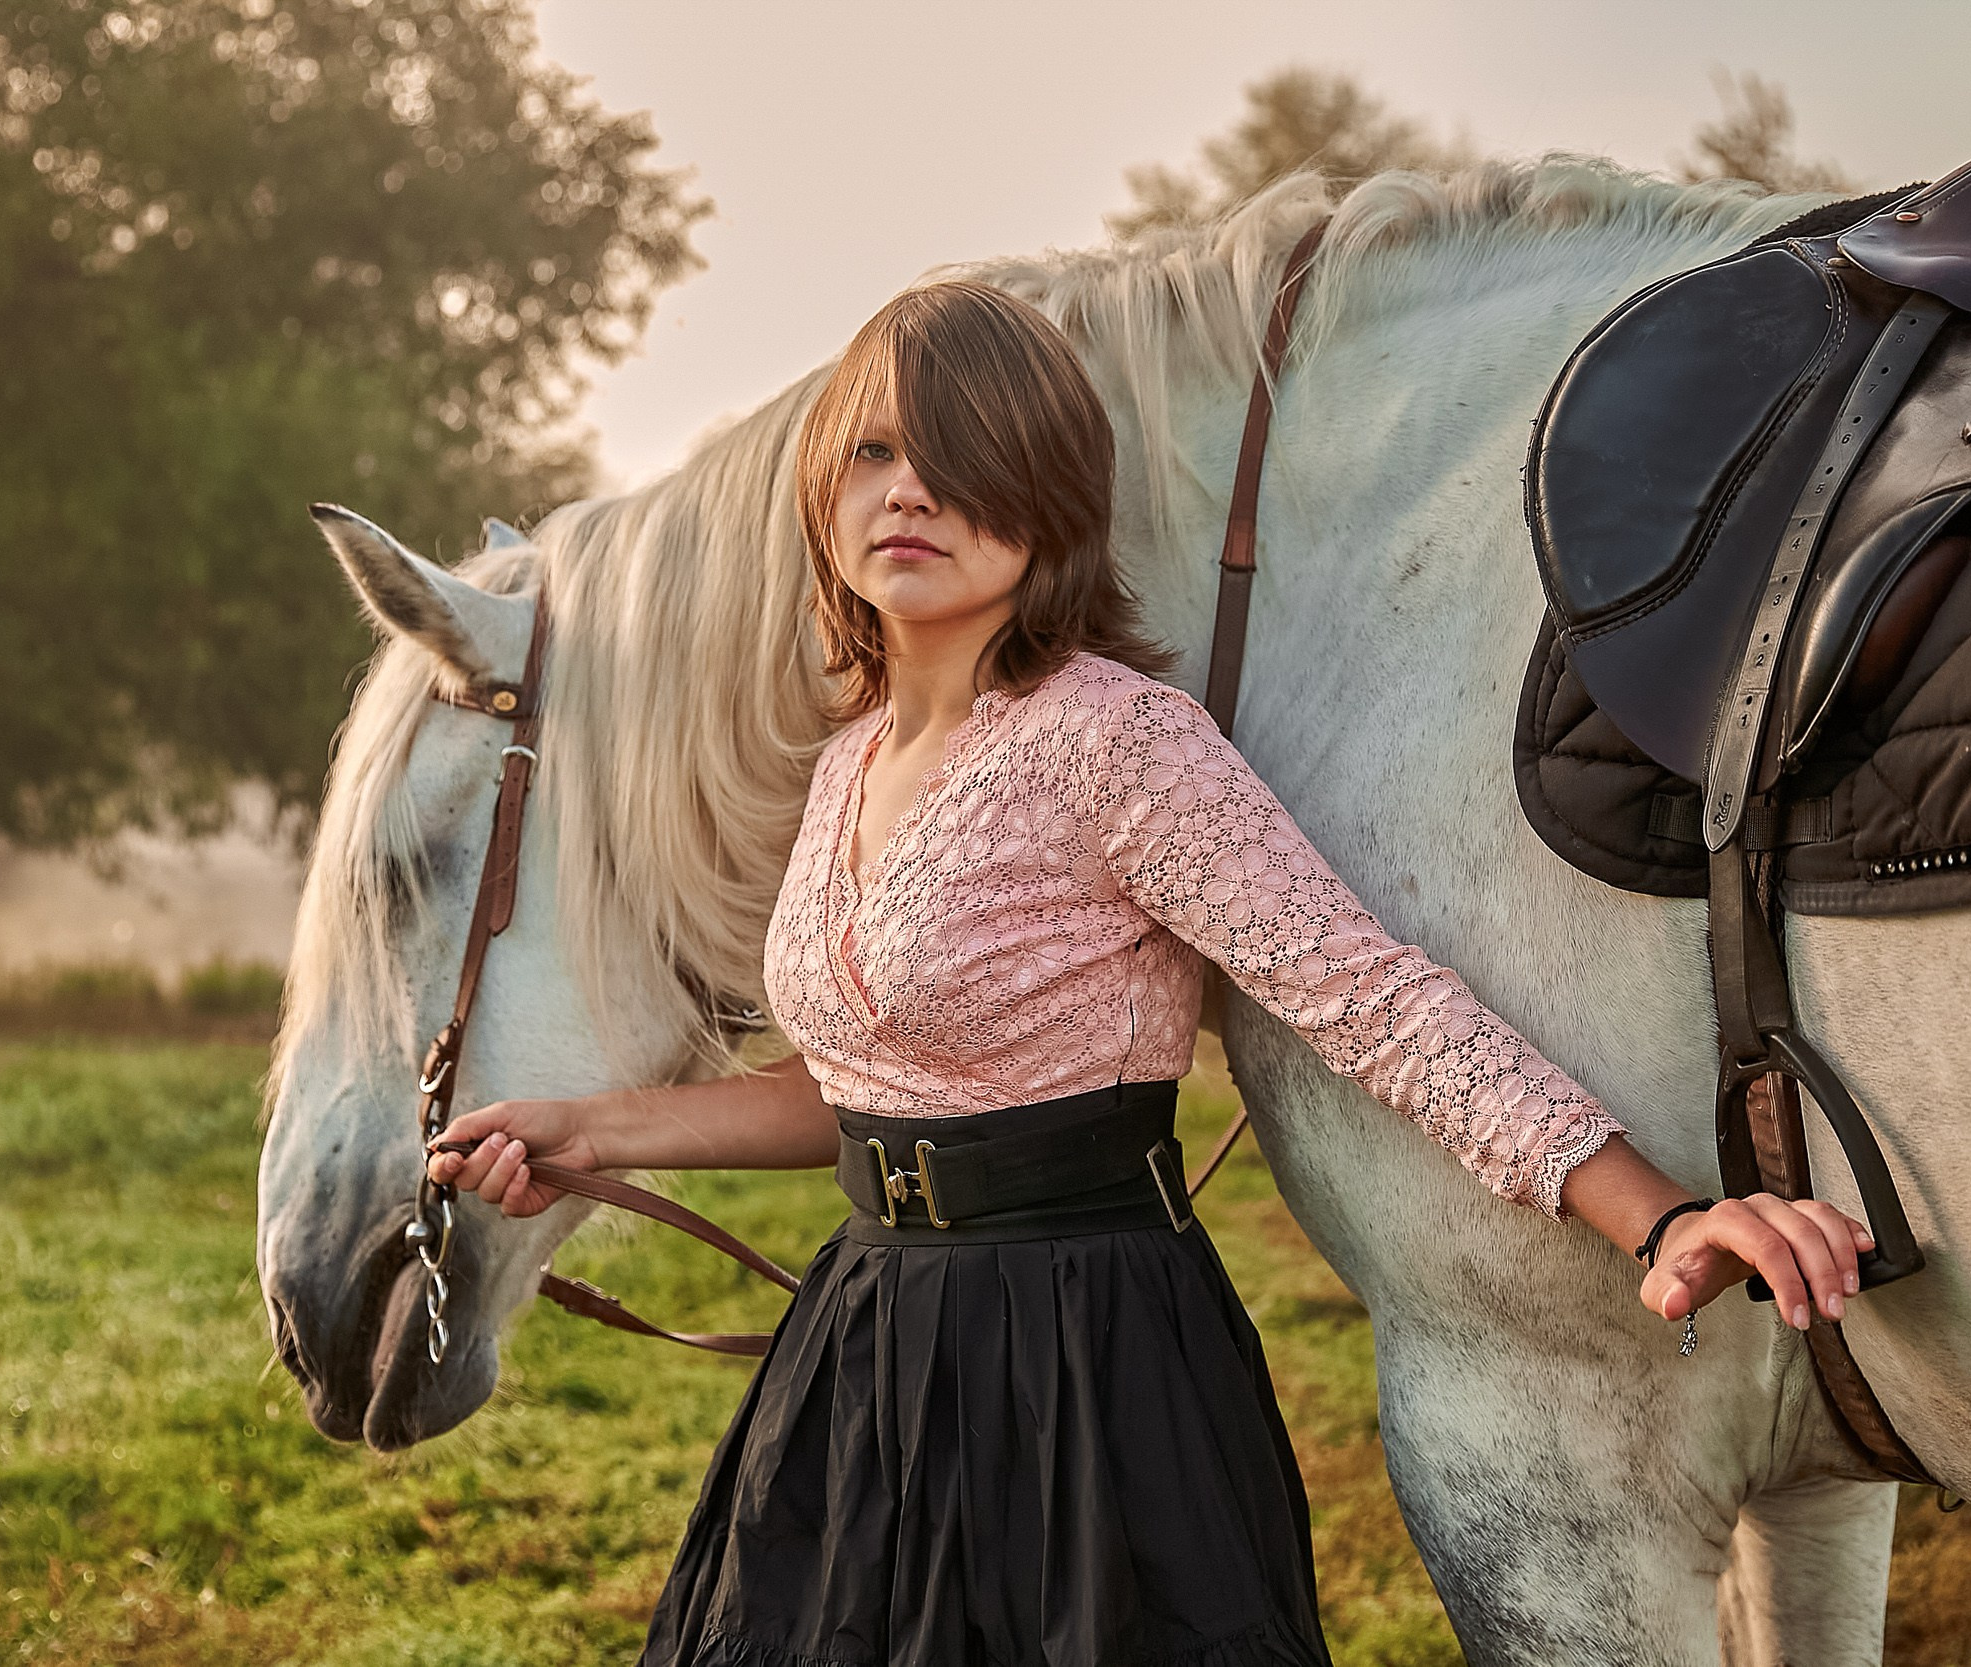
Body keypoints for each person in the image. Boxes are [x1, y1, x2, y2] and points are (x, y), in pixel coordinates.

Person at [426, 280, 1873, 1667]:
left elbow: (1368, 1000)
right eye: (871, 452)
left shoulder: (1121, 743)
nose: (908, 490)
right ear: (823, 495)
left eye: (958, 454)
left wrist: (1656, 1213)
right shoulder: (848, 763)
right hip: (865, 1349)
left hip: (1085, 1365)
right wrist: (594, 1129)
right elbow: (865, 1091)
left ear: (1048, 498)